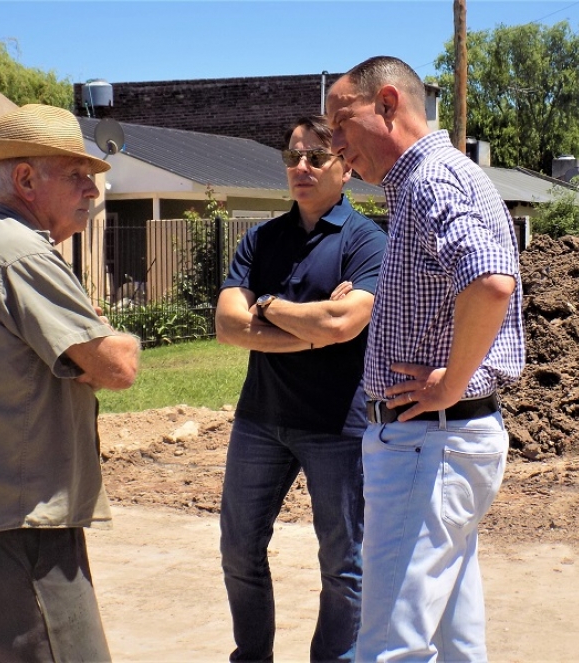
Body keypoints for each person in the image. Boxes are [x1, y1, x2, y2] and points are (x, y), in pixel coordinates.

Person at [325, 57, 526, 661]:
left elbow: (490, 283)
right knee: (453, 639)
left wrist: (449, 385)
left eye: (340, 122)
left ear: (387, 103)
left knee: (390, 646)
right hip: (444, 442)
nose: (334, 144)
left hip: (428, 443)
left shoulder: (432, 180)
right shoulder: (436, 179)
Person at [0, 104, 141, 662]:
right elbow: (115, 366)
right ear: (25, 179)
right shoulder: (21, 254)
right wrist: (114, 335)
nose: (91, 192)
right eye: (76, 175)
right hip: (24, 528)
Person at [215, 115, 388, 662]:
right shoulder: (261, 238)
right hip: (260, 419)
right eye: (293, 156)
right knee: (239, 550)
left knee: (342, 564)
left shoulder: (367, 241)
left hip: (337, 425)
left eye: (316, 156)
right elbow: (226, 326)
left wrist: (267, 306)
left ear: (346, 166)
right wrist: (312, 328)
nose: (302, 167)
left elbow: (345, 325)